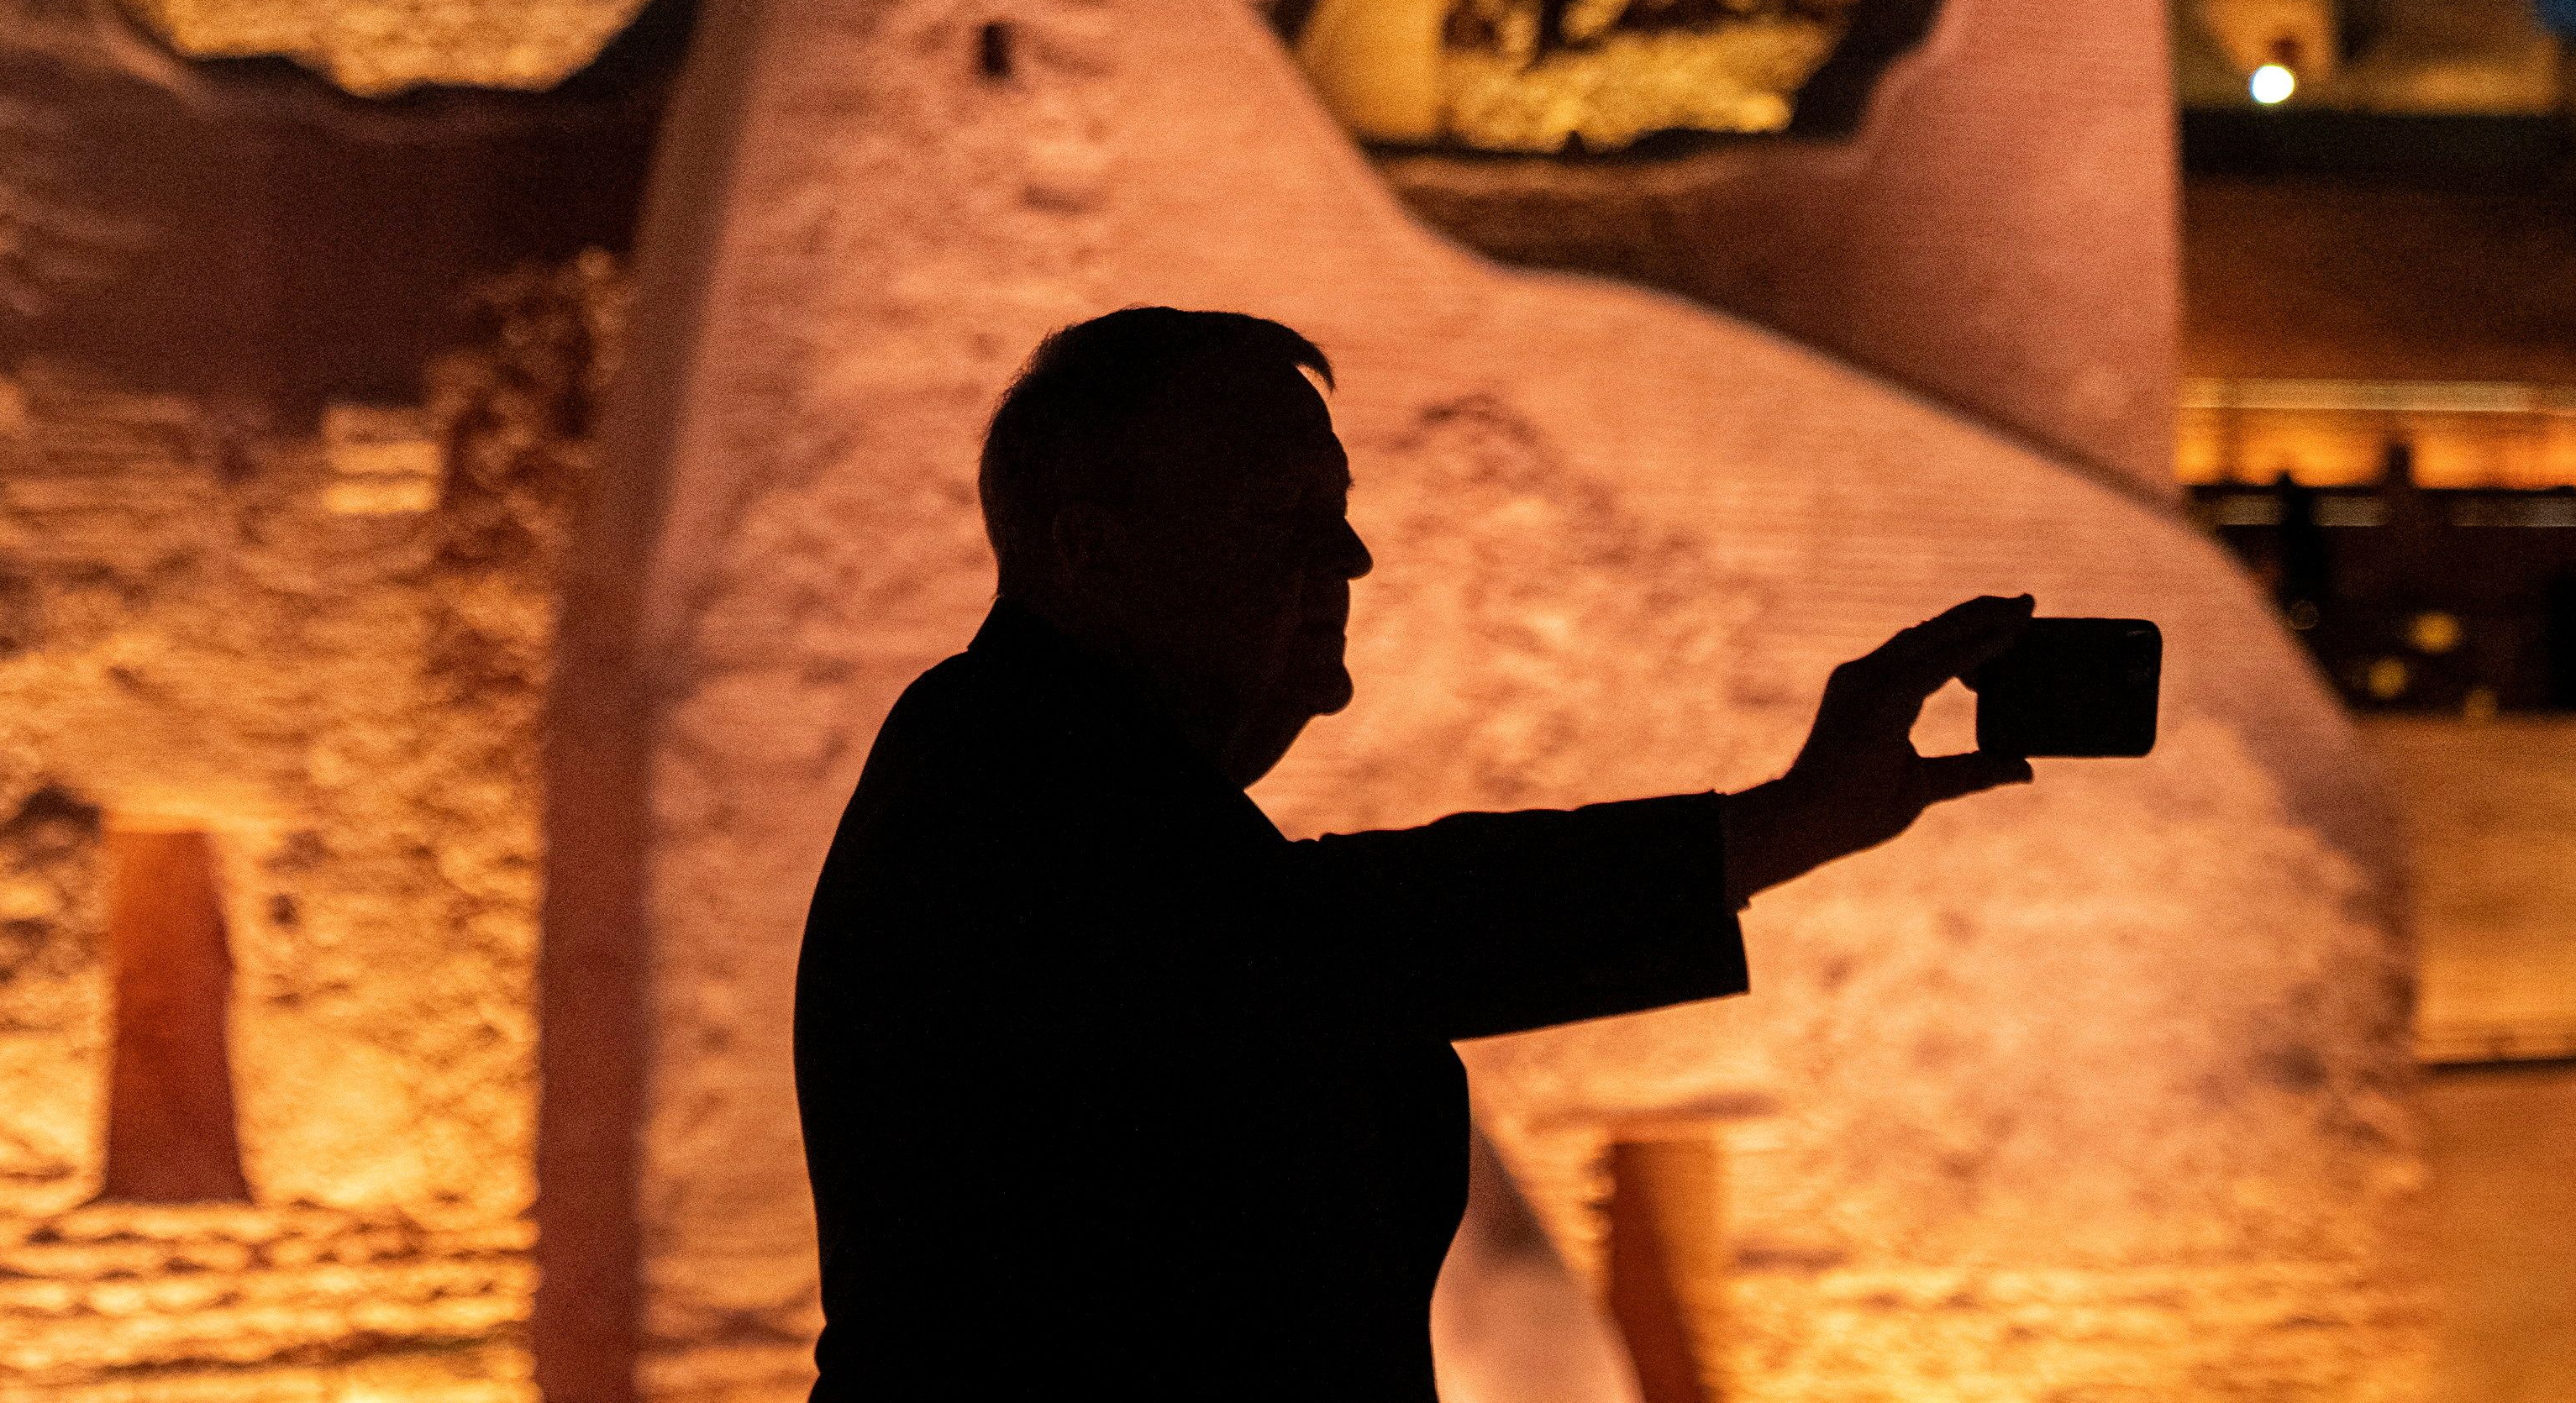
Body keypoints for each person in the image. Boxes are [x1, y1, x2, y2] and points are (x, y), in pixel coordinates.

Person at [793, 308, 2042, 1397]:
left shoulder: (1064, 784)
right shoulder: (1007, 787)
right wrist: (1772, 828)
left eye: (1338, 510)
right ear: (1093, 552)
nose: (1346, 559)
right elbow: (1328, 937)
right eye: (1282, 515)